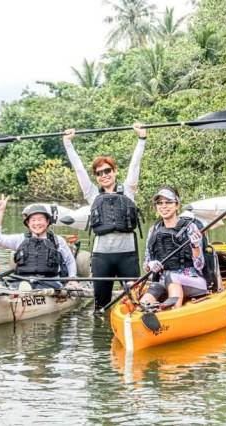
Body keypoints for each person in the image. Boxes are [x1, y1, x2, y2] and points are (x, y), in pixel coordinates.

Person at [62, 125, 146, 312]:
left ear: (114, 171)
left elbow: (135, 165)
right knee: (100, 306)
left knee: (135, 302)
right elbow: (79, 169)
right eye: (99, 173)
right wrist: (68, 144)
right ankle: (100, 334)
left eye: (107, 171)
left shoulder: (129, 190)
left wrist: (141, 140)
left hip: (128, 256)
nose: (104, 175)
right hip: (102, 257)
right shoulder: (92, 195)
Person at [0, 196, 78, 290]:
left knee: (39, 286)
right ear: (28, 223)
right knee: (15, 285)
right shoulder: (20, 239)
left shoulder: (57, 240)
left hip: (50, 283)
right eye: (33, 220)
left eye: (40, 219)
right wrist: (0, 212)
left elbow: (70, 261)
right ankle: (23, 290)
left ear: (47, 221)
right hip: (22, 280)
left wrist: (72, 279)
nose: (37, 223)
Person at [140, 186, 207, 309]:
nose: (163, 206)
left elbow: (200, 265)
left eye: (168, 202)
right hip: (163, 280)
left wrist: (195, 246)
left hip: (192, 281)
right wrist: (150, 265)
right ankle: (146, 310)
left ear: (177, 205)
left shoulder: (190, 228)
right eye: (159, 203)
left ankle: (174, 310)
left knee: (172, 277)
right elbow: (145, 264)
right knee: (148, 298)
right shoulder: (153, 230)